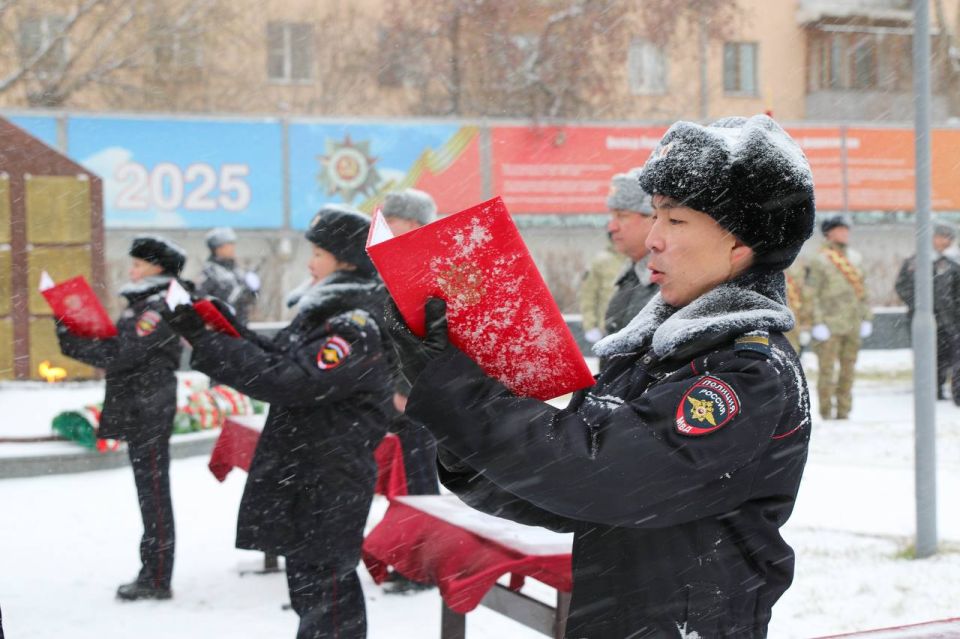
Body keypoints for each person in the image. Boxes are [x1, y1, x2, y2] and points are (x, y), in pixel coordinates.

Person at [386, 114, 814, 637]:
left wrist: (461, 397)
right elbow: (565, 492)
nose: (653, 239)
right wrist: (462, 434)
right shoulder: (660, 355)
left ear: (740, 244)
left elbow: (605, 475)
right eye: (654, 216)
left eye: (675, 221)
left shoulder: (748, 373)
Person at [164, 205, 391, 639]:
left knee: (328, 599)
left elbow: (291, 379)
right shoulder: (329, 314)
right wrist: (214, 328)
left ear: (346, 262)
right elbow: (279, 357)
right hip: (313, 473)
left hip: (330, 479)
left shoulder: (353, 326)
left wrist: (212, 345)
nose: (310, 262)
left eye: (319, 254)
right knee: (314, 594)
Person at [56, 235, 185, 601]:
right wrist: (69, 328)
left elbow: (122, 352)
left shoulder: (159, 306)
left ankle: (157, 576)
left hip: (149, 408)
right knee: (151, 494)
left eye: (138, 264)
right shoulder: (146, 303)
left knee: (154, 495)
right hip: (141, 405)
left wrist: (71, 334)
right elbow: (118, 348)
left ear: (157, 267)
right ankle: (154, 572)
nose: (132, 271)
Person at [379, 188, 442, 595]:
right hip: (397, 392)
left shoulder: (426, 267)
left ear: (415, 224)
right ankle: (406, 557)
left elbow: (428, 335)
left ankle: (422, 566)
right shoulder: (398, 263)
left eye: (393, 220)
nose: (385, 227)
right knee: (404, 480)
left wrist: (406, 386)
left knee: (418, 482)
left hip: (415, 397)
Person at [807, 216, 872, 420]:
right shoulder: (819, 260)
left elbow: (863, 291)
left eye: (846, 229)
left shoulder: (855, 258)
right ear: (829, 233)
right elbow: (812, 294)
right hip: (829, 323)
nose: (845, 233)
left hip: (852, 323)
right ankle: (826, 411)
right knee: (827, 371)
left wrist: (867, 317)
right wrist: (817, 322)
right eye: (840, 229)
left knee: (848, 370)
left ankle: (844, 411)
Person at [895, 222, 960, 402]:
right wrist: (920, 305)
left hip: (951, 320)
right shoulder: (916, 262)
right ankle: (931, 391)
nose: (945, 241)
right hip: (924, 319)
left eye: (948, 237)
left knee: (952, 357)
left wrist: (953, 308)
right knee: (927, 357)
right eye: (941, 236)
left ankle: (956, 392)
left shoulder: (954, 263)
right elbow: (902, 286)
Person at [602, 170, 658, 342]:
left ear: (653, 218)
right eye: (612, 216)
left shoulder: (669, 281)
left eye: (622, 216)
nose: (612, 227)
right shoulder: (630, 276)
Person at [197, 227, 260, 325]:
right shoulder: (210, 272)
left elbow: (250, 300)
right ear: (217, 248)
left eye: (232, 244)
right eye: (228, 245)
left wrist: (253, 290)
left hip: (241, 325)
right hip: (221, 327)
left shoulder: (238, 271)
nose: (232, 248)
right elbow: (201, 299)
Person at [577, 234, 627, 345]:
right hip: (608, 329)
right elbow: (588, 295)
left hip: (636, 327)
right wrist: (590, 325)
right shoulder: (601, 262)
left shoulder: (642, 260)